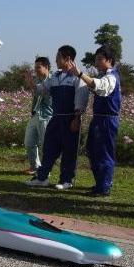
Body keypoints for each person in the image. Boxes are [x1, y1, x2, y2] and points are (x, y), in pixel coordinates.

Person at [26, 45, 89, 190]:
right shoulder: (55, 77)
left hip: (70, 118)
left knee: (69, 150)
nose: (55, 60)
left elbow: (81, 98)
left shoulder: (77, 77)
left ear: (68, 59)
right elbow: (41, 90)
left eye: (58, 57)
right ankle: (42, 178)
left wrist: (77, 118)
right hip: (56, 118)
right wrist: (31, 82)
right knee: (49, 147)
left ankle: (67, 180)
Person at [67, 45, 122, 196]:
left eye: (100, 59)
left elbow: (99, 87)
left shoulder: (111, 77)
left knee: (104, 153)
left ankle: (104, 187)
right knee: (94, 150)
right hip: (99, 119)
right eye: (96, 58)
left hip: (107, 120)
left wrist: (79, 74)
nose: (96, 62)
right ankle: (100, 182)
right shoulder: (103, 75)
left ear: (109, 61)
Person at [23, 57, 53, 175]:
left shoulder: (52, 80)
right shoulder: (38, 80)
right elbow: (36, 96)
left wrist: (30, 82)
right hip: (36, 114)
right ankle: (35, 166)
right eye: (35, 67)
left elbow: (40, 91)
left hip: (47, 116)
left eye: (38, 67)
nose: (36, 70)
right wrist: (32, 112)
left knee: (45, 145)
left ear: (46, 67)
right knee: (29, 142)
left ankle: (45, 170)